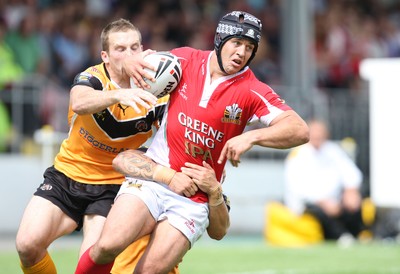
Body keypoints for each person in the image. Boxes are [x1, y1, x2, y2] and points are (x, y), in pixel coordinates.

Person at [75, 11, 309, 274]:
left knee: (148, 272)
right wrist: (133, 63)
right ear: (220, 39)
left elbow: (299, 129)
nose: (241, 53)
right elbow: (139, 60)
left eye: (249, 47)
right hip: (156, 176)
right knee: (107, 245)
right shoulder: (185, 59)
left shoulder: (252, 90)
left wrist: (251, 136)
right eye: (236, 43)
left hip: (194, 197)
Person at [15, 18, 229, 274]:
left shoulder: (158, 87)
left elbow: (186, 121)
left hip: (115, 185)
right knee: (27, 245)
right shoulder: (94, 77)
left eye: (134, 47)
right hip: (68, 175)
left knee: (94, 255)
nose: (129, 54)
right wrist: (120, 94)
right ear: (105, 55)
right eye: (120, 49)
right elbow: (80, 101)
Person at [283, 119, 365, 243]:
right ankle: (341, 237)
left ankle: (357, 235)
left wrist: (351, 190)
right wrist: (322, 201)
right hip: (310, 203)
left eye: (320, 133)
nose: (317, 137)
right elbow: (296, 187)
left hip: (334, 201)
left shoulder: (333, 151)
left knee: (354, 203)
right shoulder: (298, 154)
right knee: (320, 212)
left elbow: (351, 173)